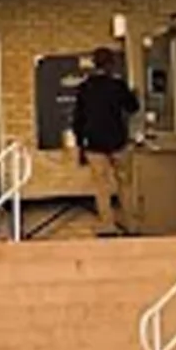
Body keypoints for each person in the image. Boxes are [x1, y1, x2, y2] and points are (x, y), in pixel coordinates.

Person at [65, 43, 140, 235]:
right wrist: (133, 94)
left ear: (94, 64)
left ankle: (108, 225)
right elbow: (133, 107)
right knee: (125, 184)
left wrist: (81, 145)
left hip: (94, 143)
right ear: (111, 65)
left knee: (101, 186)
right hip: (118, 140)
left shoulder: (85, 88)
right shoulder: (117, 85)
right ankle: (131, 224)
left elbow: (78, 120)